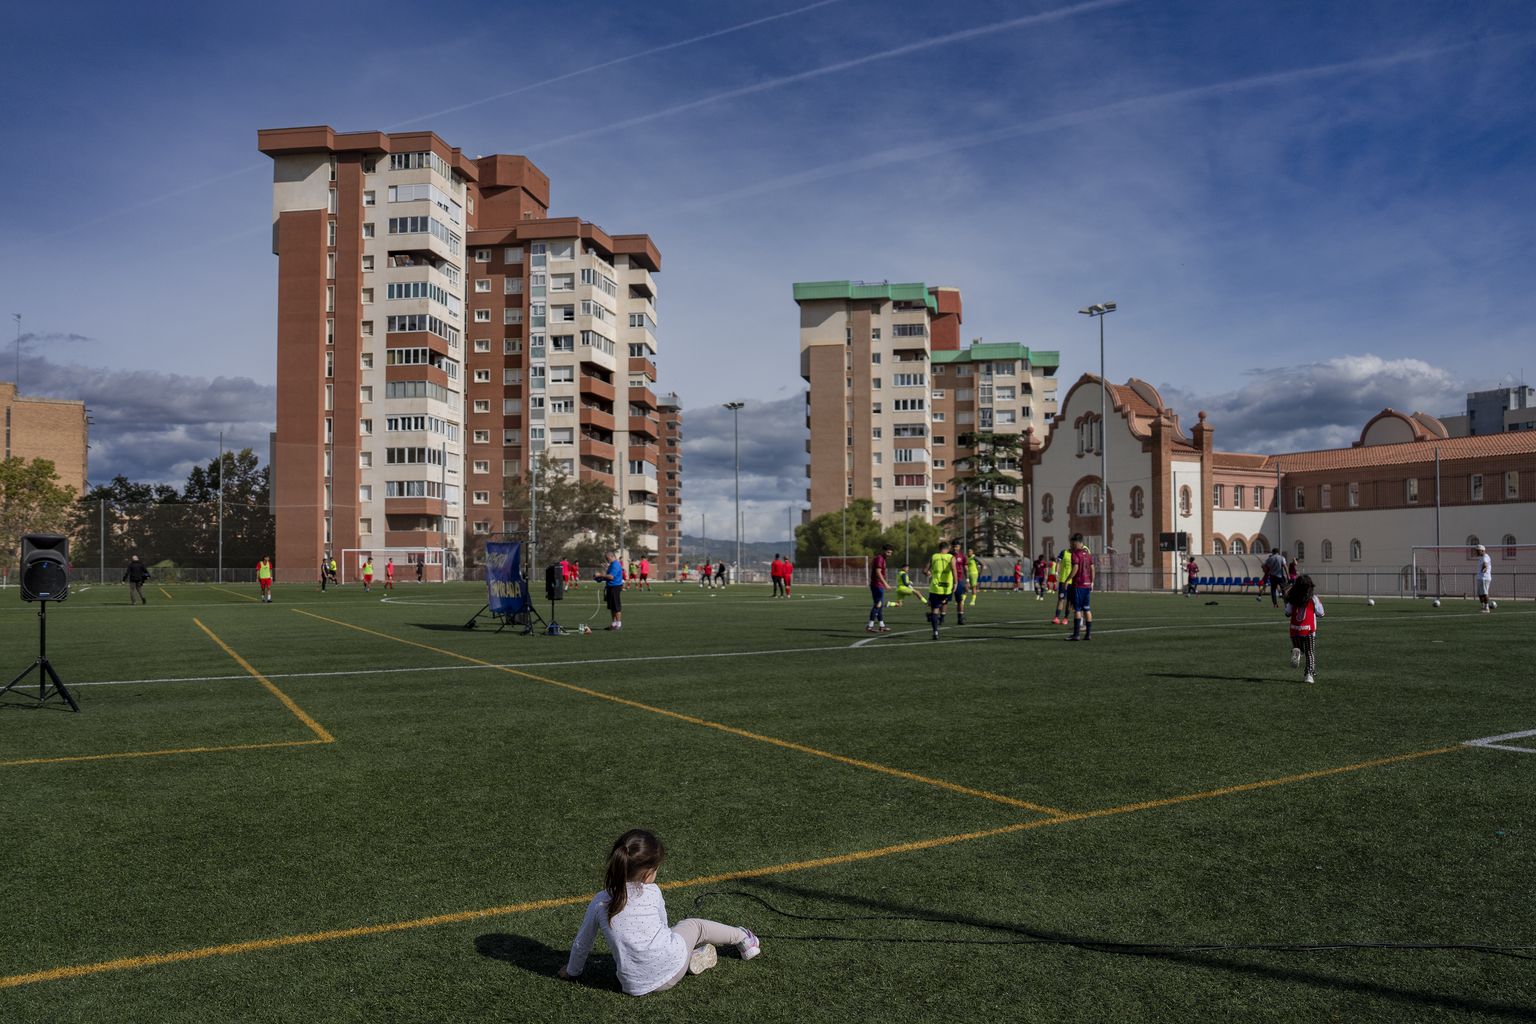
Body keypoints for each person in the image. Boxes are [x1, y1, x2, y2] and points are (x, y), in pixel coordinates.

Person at [559, 829, 759, 996]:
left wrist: (572, 972)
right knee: (694, 926)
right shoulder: (653, 891)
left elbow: (582, 942)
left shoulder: (600, 901)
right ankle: (745, 939)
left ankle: (690, 957)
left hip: (633, 987)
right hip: (673, 970)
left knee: (673, 941)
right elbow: (664, 927)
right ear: (648, 872)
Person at [1284, 575, 1325, 683]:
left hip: (1294, 630)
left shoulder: (1292, 599)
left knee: (1300, 649)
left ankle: (1297, 650)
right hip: (1308, 630)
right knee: (1310, 652)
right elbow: (1321, 613)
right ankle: (1309, 675)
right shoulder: (1313, 599)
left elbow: (1287, 613)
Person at [1065, 533, 1095, 641]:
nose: (1071, 545)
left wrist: (1067, 580)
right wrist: (1092, 582)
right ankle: (1088, 634)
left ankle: (1076, 635)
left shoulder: (1075, 554)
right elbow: (1092, 568)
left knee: (1077, 609)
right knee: (1087, 609)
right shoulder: (1088, 554)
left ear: (1077, 543)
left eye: (1072, 543)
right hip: (1087, 585)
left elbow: (1076, 568)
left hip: (1078, 584)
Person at [926, 541, 956, 641]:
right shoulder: (951, 557)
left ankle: (935, 632)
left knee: (934, 610)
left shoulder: (933, 556)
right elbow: (954, 570)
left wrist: (928, 573)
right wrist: (955, 583)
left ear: (939, 548)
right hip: (947, 588)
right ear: (948, 548)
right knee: (944, 602)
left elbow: (925, 570)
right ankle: (940, 615)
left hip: (935, 588)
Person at [867, 543, 893, 633]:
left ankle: (882, 626)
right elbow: (878, 572)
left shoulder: (883, 559)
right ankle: (869, 626)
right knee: (878, 604)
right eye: (888, 552)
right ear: (883, 551)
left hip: (879, 585)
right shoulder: (879, 558)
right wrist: (886, 584)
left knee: (880, 605)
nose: (889, 554)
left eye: (891, 553)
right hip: (876, 585)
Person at [599, 551, 626, 630]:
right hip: (610, 586)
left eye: (607, 558)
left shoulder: (615, 564)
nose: (607, 560)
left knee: (616, 606)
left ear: (611, 556)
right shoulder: (611, 564)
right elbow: (608, 576)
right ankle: (614, 623)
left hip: (615, 587)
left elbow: (611, 577)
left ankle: (618, 624)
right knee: (611, 606)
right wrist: (601, 578)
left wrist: (600, 575)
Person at [1051, 547, 1073, 625]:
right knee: (1061, 599)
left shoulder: (1077, 554)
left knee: (1069, 601)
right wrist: (1056, 573)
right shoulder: (1064, 552)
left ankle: (1065, 618)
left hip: (1073, 582)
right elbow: (1058, 562)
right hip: (1063, 580)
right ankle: (1056, 617)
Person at [951, 544, 969, 625]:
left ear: (959, 547)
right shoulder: (948, 555)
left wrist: (967, 581)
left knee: (959, 599)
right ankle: (941, 618)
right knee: (943, 600)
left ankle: (960, 618)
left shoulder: (963, 556)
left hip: (959, 580)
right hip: (948, 579)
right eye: (954, 546)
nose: (955, 548)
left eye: (957, 546)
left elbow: (966, 569)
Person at [1475, 543, 1494, 612]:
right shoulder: (1481, 557)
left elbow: (1485, 565)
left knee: (1484, 593)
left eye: (1478, 550)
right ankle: (1483, 606)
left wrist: (1484, 570)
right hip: (1480, 578)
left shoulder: (1485, 557)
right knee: (1480, 594)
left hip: (1484, 578)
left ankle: (1487, 608)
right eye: (1476, 551)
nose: (1476, 552)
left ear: (1482, 550)